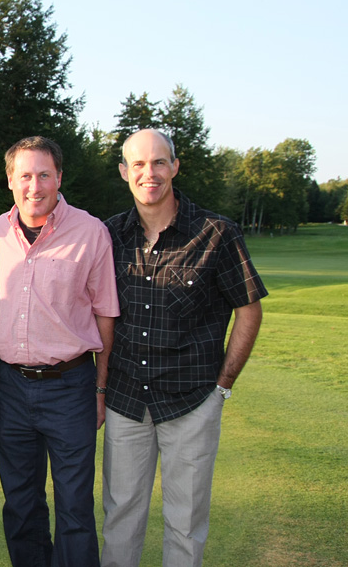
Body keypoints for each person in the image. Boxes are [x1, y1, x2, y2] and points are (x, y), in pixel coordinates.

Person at [101, 129, 267, 567]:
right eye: (138, 164)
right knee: (120, 516)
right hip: (126, 400)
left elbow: (249, 310)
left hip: (193, 401)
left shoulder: (217, 233)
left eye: (159, 162)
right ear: (124, 172)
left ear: (175, 166)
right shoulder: (110, 234)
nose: (149, 173)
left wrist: (223, 385)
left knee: (186, 521)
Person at [0, 136, 119, 567]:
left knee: (74, 507)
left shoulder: (91, 232)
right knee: (21, 503)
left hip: (71, 387)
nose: (34, 186)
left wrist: (100, 389)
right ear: (10, 180)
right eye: (25, 175)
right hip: (11, 386)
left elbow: (105, 314)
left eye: (44, 174)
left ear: (59, 177)